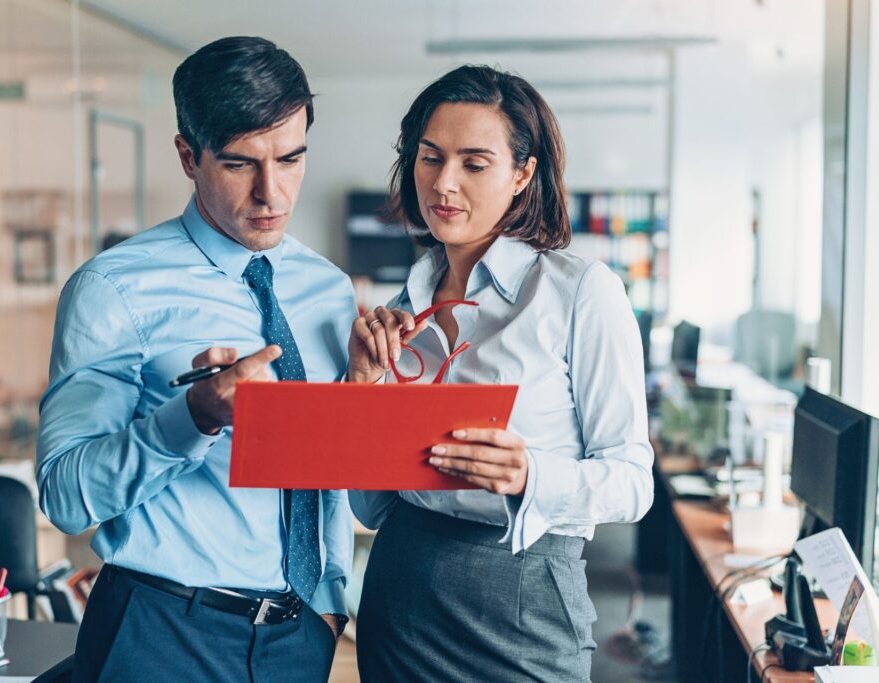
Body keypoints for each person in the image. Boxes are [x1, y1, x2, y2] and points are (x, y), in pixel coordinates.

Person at [36, 37, 354, 682]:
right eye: (240, 164)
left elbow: (328, 471)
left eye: (291, 159)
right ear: (189, 155)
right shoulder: (115, 288)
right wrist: (193, 418)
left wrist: (329, 604)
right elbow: (65, 496)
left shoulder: (329, 289)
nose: (272, 193)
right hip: (160, 633)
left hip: (299, 637)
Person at [347, 65, 654, 682]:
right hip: (398, 591)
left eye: (474, 163)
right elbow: (373, 506)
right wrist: (364, 388)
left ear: (522, 174)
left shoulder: (579, 293)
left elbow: (632, 482)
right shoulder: (400, 310)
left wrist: (530, 474)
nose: (444, 183)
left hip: (523, 600)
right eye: (429, 158)